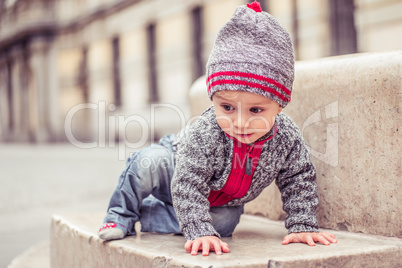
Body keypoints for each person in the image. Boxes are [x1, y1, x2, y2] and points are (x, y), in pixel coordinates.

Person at [98, 0, 337, 256]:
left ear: (280, 105)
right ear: (213, 100)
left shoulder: (286, 138)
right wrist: (199, 230)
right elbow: (188, 183)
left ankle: (148, 214)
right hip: (177, 170)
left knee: (224, 225)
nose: (240, 122)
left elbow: (297, 177)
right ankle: (120, 214)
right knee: (148, 162)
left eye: (256, 110)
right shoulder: (207, 132)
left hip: (223, 199)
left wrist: (301, 223)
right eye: (227, 108)